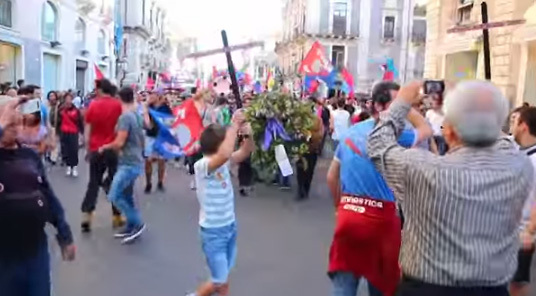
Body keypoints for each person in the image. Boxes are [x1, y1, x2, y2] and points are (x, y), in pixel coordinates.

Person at [368, 80, 533, 296]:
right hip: (492, 290)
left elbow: (378, 145)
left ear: (450, 133)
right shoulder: (518, 167)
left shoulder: (424, 169)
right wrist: (473, 104)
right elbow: (502, 142)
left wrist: (401, 103)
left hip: (426, 289)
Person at [326, 81, 432, 296]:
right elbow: (427, 130)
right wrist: (408, 105)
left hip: (349, 215)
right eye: (397, 104)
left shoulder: (350, 132)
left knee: (343, 286)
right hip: (382, 221)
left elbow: (331, 177)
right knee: (383, 287)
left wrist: (341, 207)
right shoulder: (398, 136)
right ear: (382, 107)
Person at [0, 98, 76, 296]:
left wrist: (64, 233)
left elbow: (47, 195)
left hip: (35, 252)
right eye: (9, 123)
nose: (15, 128)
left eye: (18, 122)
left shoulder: (29, 156)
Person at [187, 113, 254, 296]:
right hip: (213, 232)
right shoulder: (203, 166)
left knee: (222, 279)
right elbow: (225, 153)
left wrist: (247, 135)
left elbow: (245, 152)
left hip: (229, 226)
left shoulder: (223, 163)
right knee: (220, 281)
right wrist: (234, 125)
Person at [99, 87, 146, 244]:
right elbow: (143, 135)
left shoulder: (125, 117)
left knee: (114, 195)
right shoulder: (136, 115)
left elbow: (119, 142)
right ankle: (131, 226)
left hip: (128, 163)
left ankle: (138, 223)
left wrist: (105, 147)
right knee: (126, 195)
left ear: (119, 99)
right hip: (134, 160)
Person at [81, 78, 124, 232]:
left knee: (93, 182)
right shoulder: (118, 105)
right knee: (114, 182)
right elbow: (121, 127)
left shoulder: (93, 105)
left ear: (100, 89)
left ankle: (87, 217)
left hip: (95, 149)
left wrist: (88, 150)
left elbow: (88, 130)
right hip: (112, 148)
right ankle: (117, 217)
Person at [509, 106, 536, 296]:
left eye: (513, 120)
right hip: (507, 229)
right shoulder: (515, 149)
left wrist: (529, 230)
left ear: (523, 126)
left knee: (517, 284)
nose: (510, 125)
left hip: (522, 232)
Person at [142, 92, 173, 193]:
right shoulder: (148, 107)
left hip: (161, 137)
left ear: (158, 96)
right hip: (150, 136)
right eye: (150, 95)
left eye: (153, 95)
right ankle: (148, 183)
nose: (150, 96)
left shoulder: (165, 108)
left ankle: (160, 182)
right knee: (148, 160)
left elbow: (170, 121)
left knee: (161, 161)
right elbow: (145, 123)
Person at [295, 115, 324, 201]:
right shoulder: (299, 118)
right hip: (300, 149)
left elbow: (320, 134)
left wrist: (311, 136)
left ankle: (306, 189)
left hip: (312, 149)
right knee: (300, 169)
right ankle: (300, 189)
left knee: (309, 170)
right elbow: (295, 131)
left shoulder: (317, 120)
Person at [59, 92, 84, 177]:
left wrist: (82, 133)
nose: (68, 101)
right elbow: (58, 121)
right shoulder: (61, 109)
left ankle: (75, 166)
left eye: (70, 99)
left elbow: (80, 121)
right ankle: (69, 166)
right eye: (67, 98)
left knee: (74, 149)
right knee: (66, 149)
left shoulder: (76, 110)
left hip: (73, 132)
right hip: (64, 131)